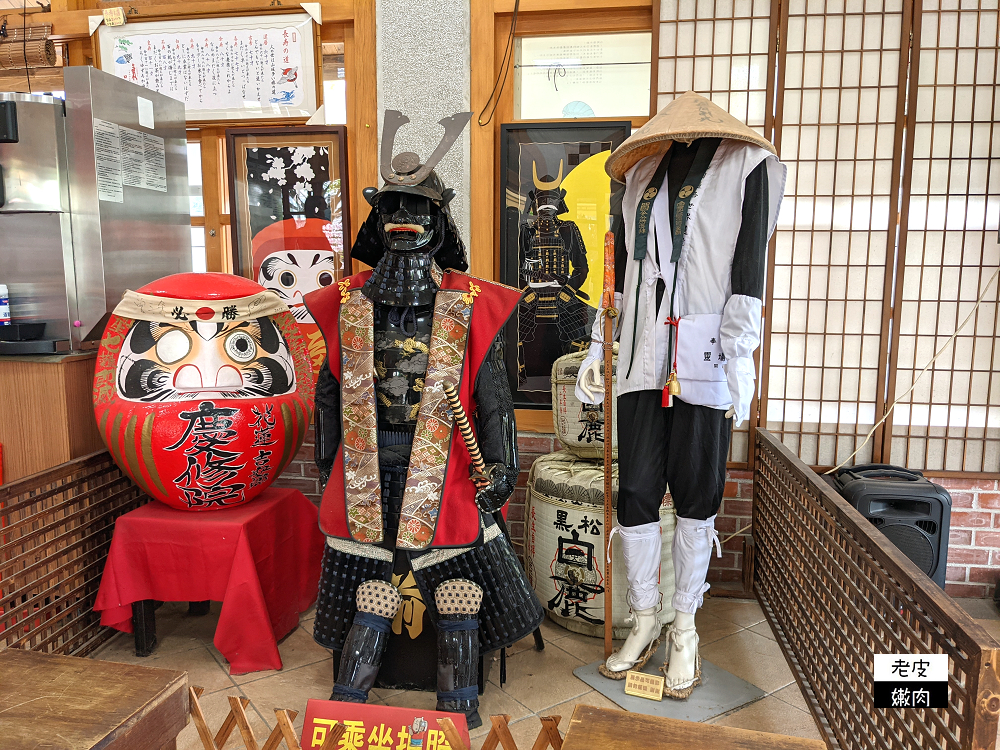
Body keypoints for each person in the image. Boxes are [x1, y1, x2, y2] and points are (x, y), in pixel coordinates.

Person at [304, 110, 543, 728]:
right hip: (366, 459)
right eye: (390, 211)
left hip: (447, 461)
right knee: (363, 570)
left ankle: (457, 706)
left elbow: (494, 400)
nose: (403, 222)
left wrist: (503, 467)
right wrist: (326, 461)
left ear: (440, 223)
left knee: (460, 572)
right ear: (375, 224)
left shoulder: (471, 304)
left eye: (417, 211)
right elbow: (328, 394)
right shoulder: (345, 302)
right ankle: (352, 700)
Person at [576, 92, 786, 699]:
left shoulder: (744, 167)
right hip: (642, 355)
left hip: (707, 353)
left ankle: (686, 627)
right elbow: (614, 271)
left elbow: (749, 267)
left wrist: (741, 358)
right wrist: (599, 344)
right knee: (637, 489)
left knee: (697, 493)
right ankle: (645, 619)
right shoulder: (637, 173)